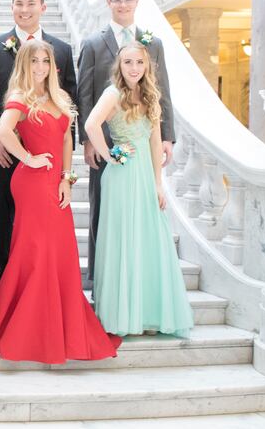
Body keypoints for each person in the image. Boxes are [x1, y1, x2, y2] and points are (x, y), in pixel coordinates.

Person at [0, 40, 120, 362]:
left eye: (45, 61)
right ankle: (33, 327)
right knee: (37, 251)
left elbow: (66, 138)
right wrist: (27, 159)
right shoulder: (19, 97)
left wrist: (67, 179)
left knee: (58, 251)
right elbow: (3, 132)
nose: (41, 67)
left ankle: (58, 324)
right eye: (34, 62)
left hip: (55, 182)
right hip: (31, 183)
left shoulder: (59, 98)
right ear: (25, 66)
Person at [0, 0, 78, 284]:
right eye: (19, 3)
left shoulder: (61, 49)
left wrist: (66, 174)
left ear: (43, 7)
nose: (24, 9)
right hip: (3, 154)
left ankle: (43, 287)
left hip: (48, 159)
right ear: (12, 7)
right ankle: (6, 280)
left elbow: (66, 104)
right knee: (3, 218)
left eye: (31, 3)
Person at [85, 42, 192, 337]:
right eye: (128, 62)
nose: (134, 68)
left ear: (147, 66)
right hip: (122, 175)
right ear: (119, 66)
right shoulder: (112, 93)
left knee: (147, 240)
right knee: (124, 239)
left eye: (139, 63)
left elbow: (155, 142)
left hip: (145, 174)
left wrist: (159, 183)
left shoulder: (150, 95)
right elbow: (92, 125)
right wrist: (110, 155)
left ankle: (145, 313)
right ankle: (121, 316)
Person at [77, 0, 174, 284]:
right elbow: (84, 94)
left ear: (136, 2)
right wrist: (88, 141)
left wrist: (167, 136)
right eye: (116, 0)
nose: (122, 5)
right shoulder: (93, 43)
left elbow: (162, 92)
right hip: (106, 140)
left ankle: (139, 281)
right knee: (102, 210)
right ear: (109, 3)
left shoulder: (152, 42)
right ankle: (101, 278)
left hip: (141, 144)